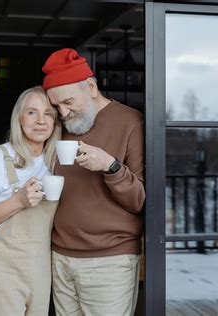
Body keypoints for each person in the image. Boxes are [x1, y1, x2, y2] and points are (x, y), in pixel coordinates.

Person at [42, 48, 146, 315]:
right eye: (56, 106)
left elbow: (140, 201)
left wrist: (110, 167)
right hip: (59, 256)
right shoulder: (58, 126)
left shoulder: (130, 121)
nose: (63, 113)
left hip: (110, 260)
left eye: (67, 102)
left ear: (90, 86)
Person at [0, 86, 61, 315]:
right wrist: (18, 201)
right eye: (32, 112)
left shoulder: (55, 162)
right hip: (0, 270)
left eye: (48, 114)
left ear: (55, 122)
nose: (40, 121)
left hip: (39, 269)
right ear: (19, 119)